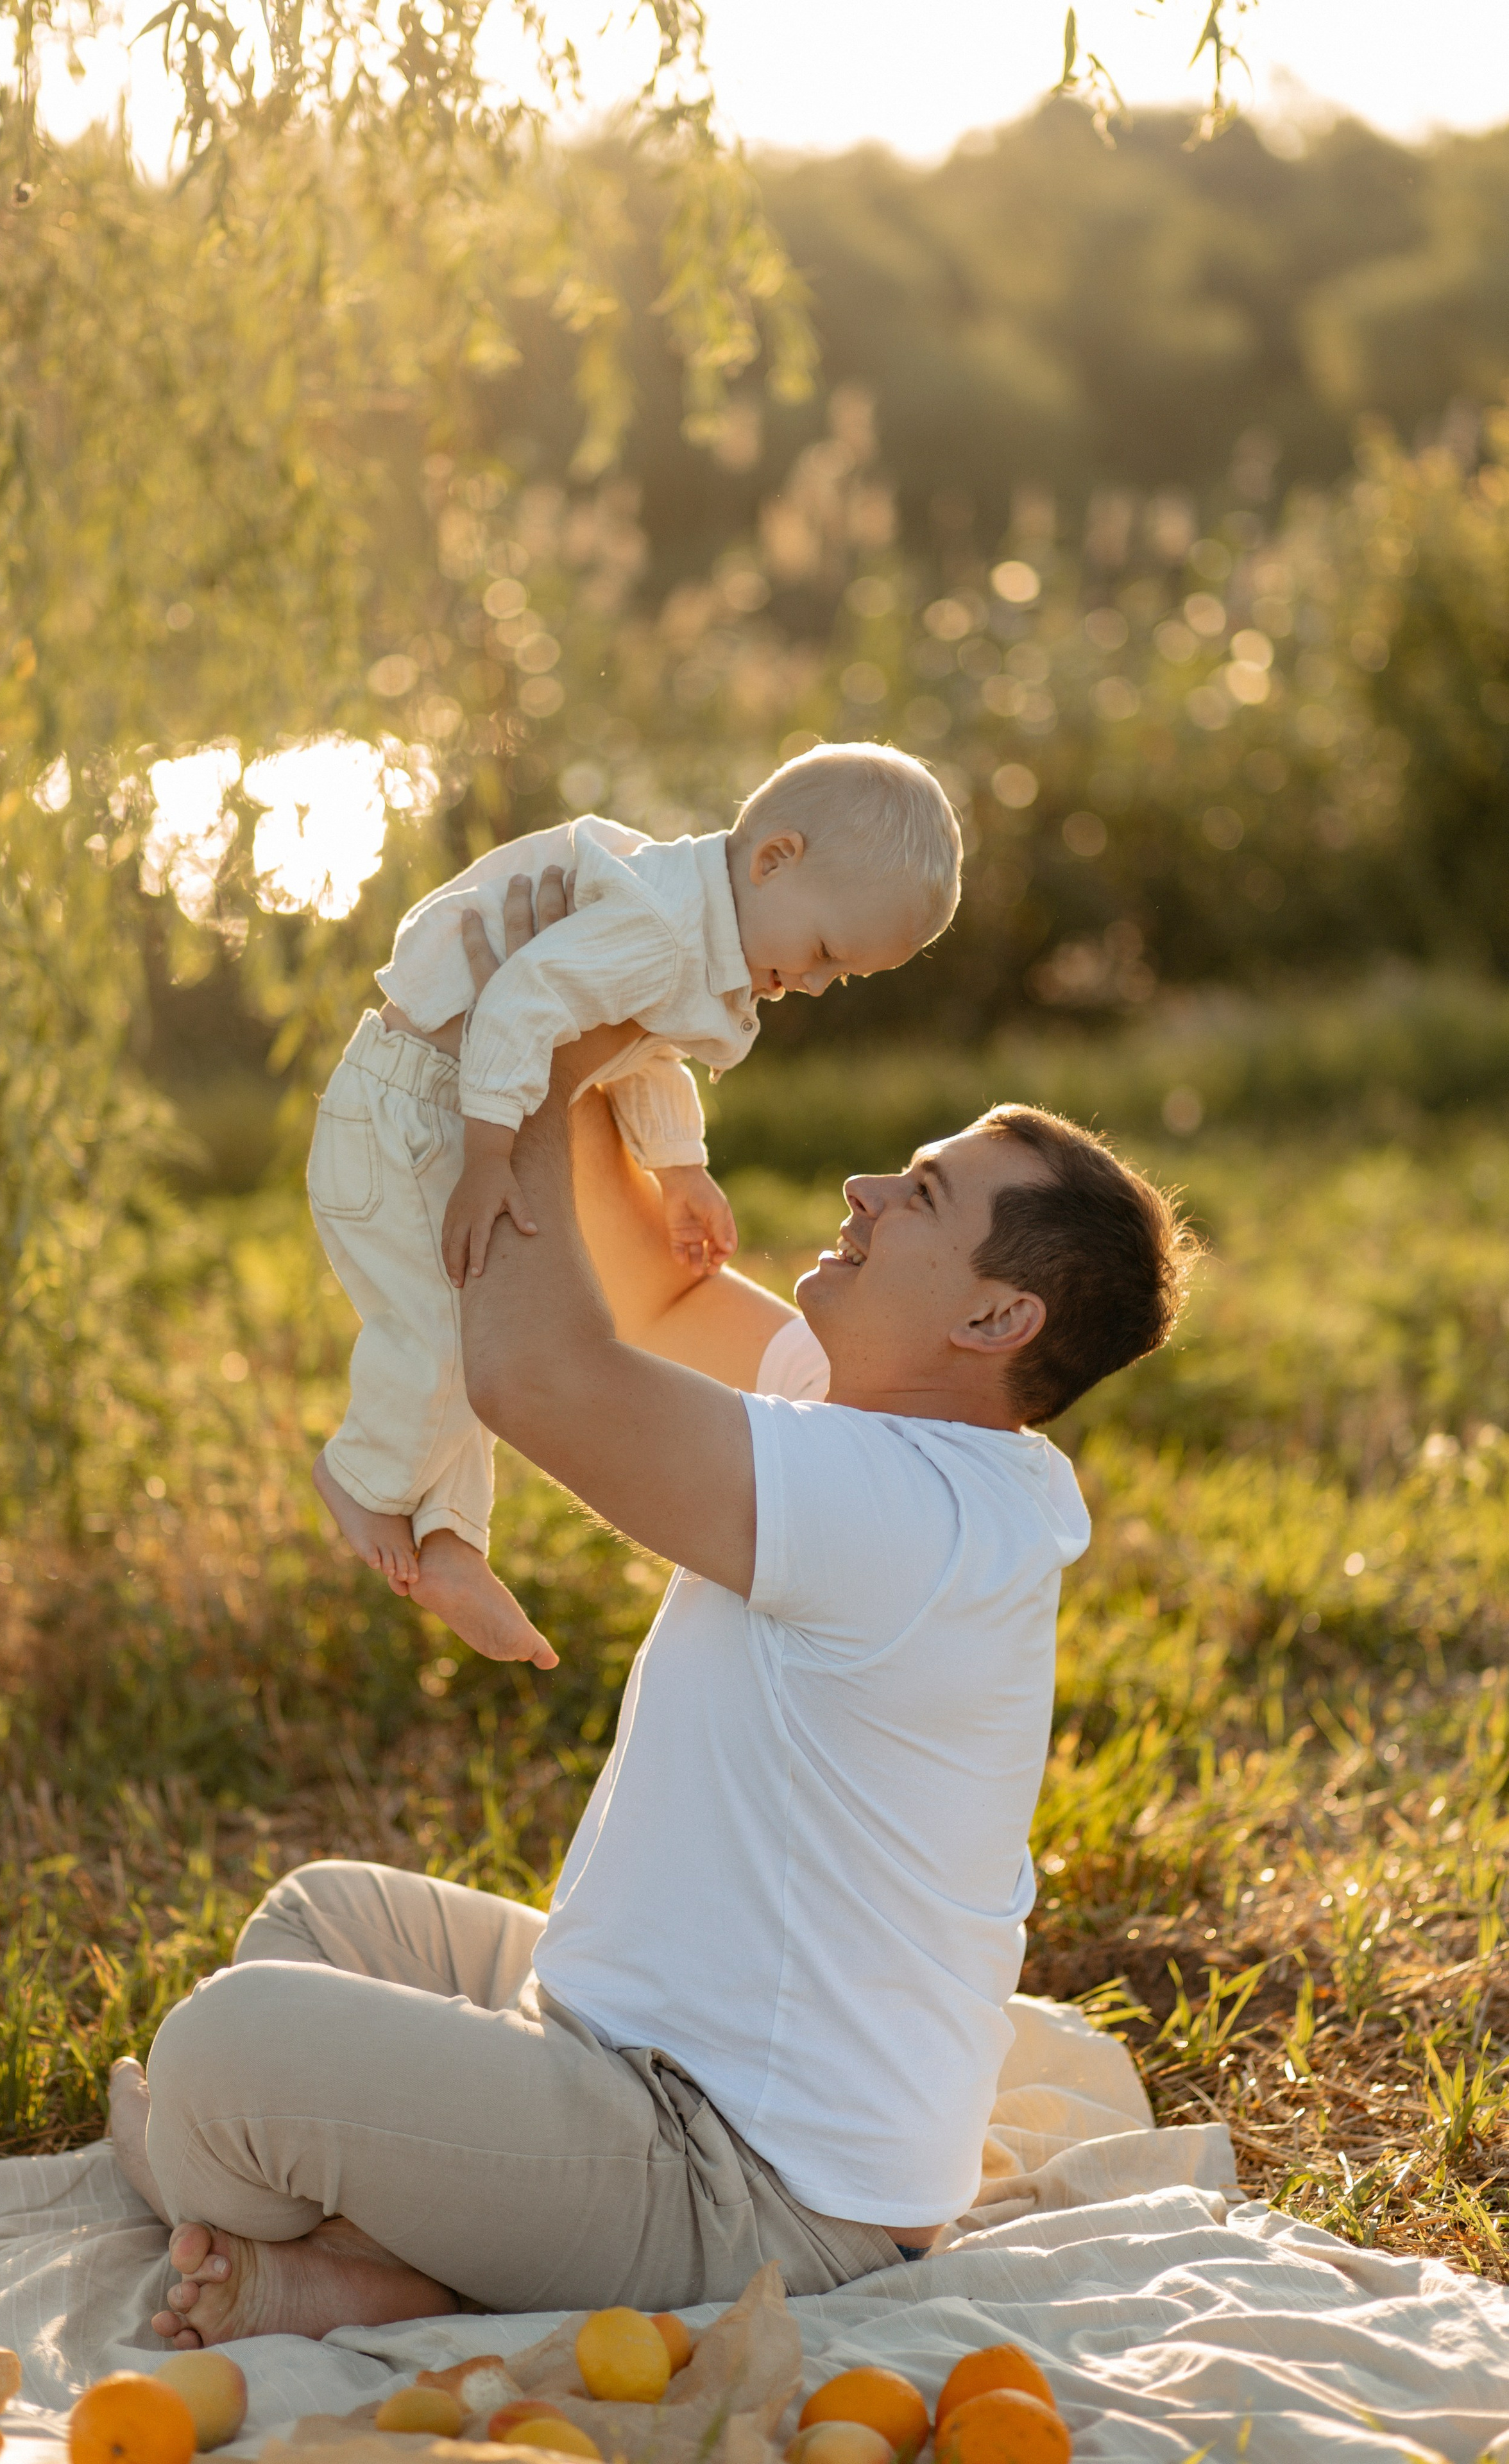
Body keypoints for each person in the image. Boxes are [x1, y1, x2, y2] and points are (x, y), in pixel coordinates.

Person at [108, 871, 1198, 2344]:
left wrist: (533, 1056)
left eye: (920, 1196)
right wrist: (586, 998)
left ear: (993, 1321)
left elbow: (540, 1374)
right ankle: (402, 2240)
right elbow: (653, 1304)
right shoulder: (893, 1423)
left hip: (751, 2188)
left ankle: (379, 2257)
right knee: (319, 1915)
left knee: (226, 2054)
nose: (864, 1191)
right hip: (631, 2034)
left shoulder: (914, 1512)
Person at [307, 742, 960, 1667]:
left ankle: (447, 1540)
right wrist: (491, 1152)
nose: (812, 984)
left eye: (838, 977)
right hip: (409, 1115)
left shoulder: (686, 927)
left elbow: (644, 1048)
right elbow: (515, 1005)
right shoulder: (657, 924)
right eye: (821, 953)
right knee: (441, 1334)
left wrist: (679, 1169)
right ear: (774, 859)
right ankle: (359, 1476)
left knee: (469, 1324)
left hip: (447, 1108)